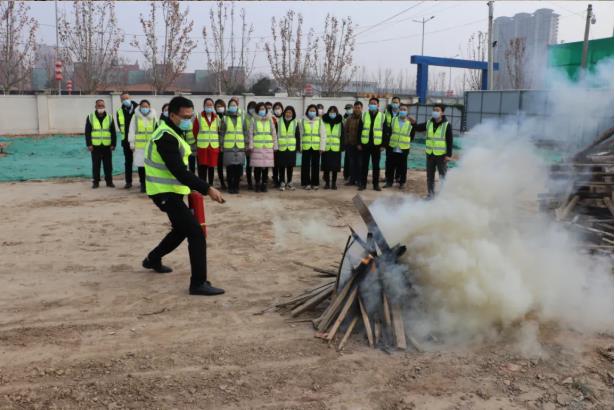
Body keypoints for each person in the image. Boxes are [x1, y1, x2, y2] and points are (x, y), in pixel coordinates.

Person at [142, 96, 225, 296]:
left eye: (191, 116)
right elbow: (179, 171)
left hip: (173, 191)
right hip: (164, 192)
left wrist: (192, 187)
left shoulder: (175, 132)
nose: (189, 120)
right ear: (172, 115)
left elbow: (181, 170)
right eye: (185, 117)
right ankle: (198, 283)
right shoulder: (165, 136)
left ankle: (153, 259)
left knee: (180, 230)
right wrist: (207, 188)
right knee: (196, 233)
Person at [412, 103, 453, 198]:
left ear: (442, 113)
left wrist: (448, 155)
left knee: (443, 176)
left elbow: (449, 141)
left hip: (441, 155)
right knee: (430, 176)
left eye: (437, 110)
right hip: (430, 154)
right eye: (434, 110)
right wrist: (414, 123)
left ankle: (443, 196)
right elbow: (418, 128)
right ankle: (430, 195)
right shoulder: (429, 123)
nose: (435, 112)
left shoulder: (447, 125)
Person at [85, 99, 117, 189]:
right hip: (95, 146)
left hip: (107, 145)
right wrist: (89, 144)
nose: (101, 107)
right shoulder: (90, 117)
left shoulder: (110, 117)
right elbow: (87, 132)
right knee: (96, 165)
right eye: (99, 106)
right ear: (95, 107)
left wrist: (113, 144)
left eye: (102, 105)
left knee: (108, 165)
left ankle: (109, 182)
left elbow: (113, 132)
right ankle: (96, 182)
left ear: (104, 106)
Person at [220, 98, 249, 194]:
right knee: (230, 168)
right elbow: (222, 133)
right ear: (228, 107)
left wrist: (246, 143)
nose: (233, 106)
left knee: (238, 168)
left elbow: (245, 132)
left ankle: (236, 186)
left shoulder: (242, 117)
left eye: (234, 105)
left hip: (240, 146)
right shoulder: (224, 118)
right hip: (228, 146)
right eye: (231, 105)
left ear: (237, 106)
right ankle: (230, 186)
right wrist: (221, 144)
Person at [128, 99, 158, 193]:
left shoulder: (154, 117)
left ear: (149, 107)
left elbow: (157, 130)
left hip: (151, 146)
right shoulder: (135, 117)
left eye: (146, 106)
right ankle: (143, 184)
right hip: (139, 146)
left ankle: (151, 184)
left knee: (151, 166)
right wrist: (131, 143)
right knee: (141, 166)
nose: (144, 108)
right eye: (143, 106)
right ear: (139, 107)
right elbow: (131, 130)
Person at [249, 102, 277, 192]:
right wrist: (250, 145)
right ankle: (257, 183)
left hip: (268, 146)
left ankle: (264, 184)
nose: (262, 110)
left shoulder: (270, 119)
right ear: (257, 110)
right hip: (257, 147)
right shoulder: (253, 119)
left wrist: (275, 145)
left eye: (264, 109)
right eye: (260, 109)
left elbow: (273, 133)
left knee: (266, 166)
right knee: (257, 167)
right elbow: (250, 133)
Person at [385, 103, 415, 190]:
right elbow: (389, 131)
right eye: (401, 109)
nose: (402, 111)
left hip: (404, 148)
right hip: (393, 146)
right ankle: (389, 182)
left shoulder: (410, 123)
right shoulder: (394, 120)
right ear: (398, 110)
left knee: (402, 167)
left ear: (407, 111)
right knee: (390, 166)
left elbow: (412, 135)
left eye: (404, 110)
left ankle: (402, 182)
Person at [192, 98, 221, 186]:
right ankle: (203, 186)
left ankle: (210, 186)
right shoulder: (199, 116)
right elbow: (195, 131)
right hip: (202, 147)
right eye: (207, 105)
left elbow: (219, 131)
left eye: (210, 105)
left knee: (211, 167)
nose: (209, 106)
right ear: (204, 106)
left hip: (213, 146)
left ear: (213, 106)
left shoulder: (217, 117)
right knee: (202, 167)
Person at [358, 97, 385, 191]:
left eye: (374, 103)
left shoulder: (382, 116)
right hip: (365, 144)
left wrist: (383, 145)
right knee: (364, 165)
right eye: (371, 103)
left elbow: (385, 131)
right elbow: (359, 130)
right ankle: (363, 184)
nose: (372, 105)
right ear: (368, 105)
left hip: (377, 145)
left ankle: (375, 185)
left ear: (378, 105)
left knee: (376, 166)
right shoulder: (364, 115)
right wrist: (359, 143)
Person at [300, 104, 326, 190]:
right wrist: (300, 147)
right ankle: (306, 183)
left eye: (314, 111)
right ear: (307, 111)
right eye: (310, 110)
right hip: (306, 146)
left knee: (316, 165)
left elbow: (323, 135)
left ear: (316, 112)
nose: (312, 112)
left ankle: (315, 183)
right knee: (305, 165)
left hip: (316, 147)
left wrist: (322, 147)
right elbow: (300, 135)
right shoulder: (302, 121)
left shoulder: (319, 121)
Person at [116, 92, 138, 189]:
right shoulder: (119, 111)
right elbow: (120, 127)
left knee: (141, 162)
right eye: (123, 99)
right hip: (126, 141)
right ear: (121, 101)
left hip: (139, 141)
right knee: (128, 162)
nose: (126, 100)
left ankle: (143, 182)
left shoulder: (138, 109)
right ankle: (128, 182)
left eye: (127, 98)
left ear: (130, 98)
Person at [276, 105, 299, 191]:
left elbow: (297, 135)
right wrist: (275, 146)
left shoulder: (295, 122)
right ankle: (282, 182)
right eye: (287, 112)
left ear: (293, 113)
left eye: (290, 112)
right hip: (281, 147)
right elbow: (276, 134)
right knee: (281, 166)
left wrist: (298, 147)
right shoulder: (279, 121)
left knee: (290, 166)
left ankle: (289, 182)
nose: (288, 114)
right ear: (284, 112)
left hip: (291, 148)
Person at [322, 106, 344, 190]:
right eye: (331, 112)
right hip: (326, 147)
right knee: (326, 167)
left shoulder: (340, 123)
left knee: (335, 167)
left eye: (334, 112)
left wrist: (342, 147)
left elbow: (342, 135)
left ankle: (334, 183)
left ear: (337, 113)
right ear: (328, 112)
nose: (332, 113)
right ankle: (327, 183)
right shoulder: (324, 121)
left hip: (336, 148)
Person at [343, 101, 363, 187]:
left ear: (362, 108)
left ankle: (359, 180)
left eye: (359, 107)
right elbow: (345, 131)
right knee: (352, 163)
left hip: (360, 145)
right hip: (351, 144)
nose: (357, 109)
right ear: (354, 108)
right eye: (356, 107)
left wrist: (361, 144)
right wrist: (346, 142)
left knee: (360, 163)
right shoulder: (349, 118)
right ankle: (352, 180)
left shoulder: (364, 118)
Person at [384, 96, 401, 186]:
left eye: (396, 102)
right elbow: (383, 126)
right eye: (393, 102)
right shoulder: (386, 113)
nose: (395, 104)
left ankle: (397, 177)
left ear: (399, 103)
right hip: (389, 141)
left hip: (399, 141)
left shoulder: (402, 113)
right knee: (389, 160)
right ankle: (388, 178)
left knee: (398, 160)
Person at [214, 99, 227, 190]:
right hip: (217, 144)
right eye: (218, 106)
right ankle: (222, 181)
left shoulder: (227, 117)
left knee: (228, 164)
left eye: (221, 106)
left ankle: (228, 180)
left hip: (228, 143)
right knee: (220, 164)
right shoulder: (214, 117)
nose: (220, 108)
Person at [244, 101, 257, 190]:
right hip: (247, 144)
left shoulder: (257, 118)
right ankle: (249, 183)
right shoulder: (245, 118)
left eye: (253, 108)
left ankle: (256, 181)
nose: (252, 109)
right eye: (250, 107)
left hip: (256, 144)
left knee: (256, 164)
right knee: (249, 164)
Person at [271, 102, 284, 188]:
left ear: (282, 109)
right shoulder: (271, 119)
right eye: (276, 108)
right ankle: (275, 179)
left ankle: (282, 179)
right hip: (274, 144)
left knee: (282, 164)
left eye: (279, 108)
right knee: (275, 163)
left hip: (283, 145)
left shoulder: (284, 118)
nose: (277, 110)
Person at [342, 103, 353, 181]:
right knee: (347, 158)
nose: (348, 110)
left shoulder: (355, 116)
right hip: (347, 140)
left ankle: (352, 174)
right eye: (347, 109)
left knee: (353, 159)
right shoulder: (344, 117)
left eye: (349, 108)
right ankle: (346, 175)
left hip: (354, 140)